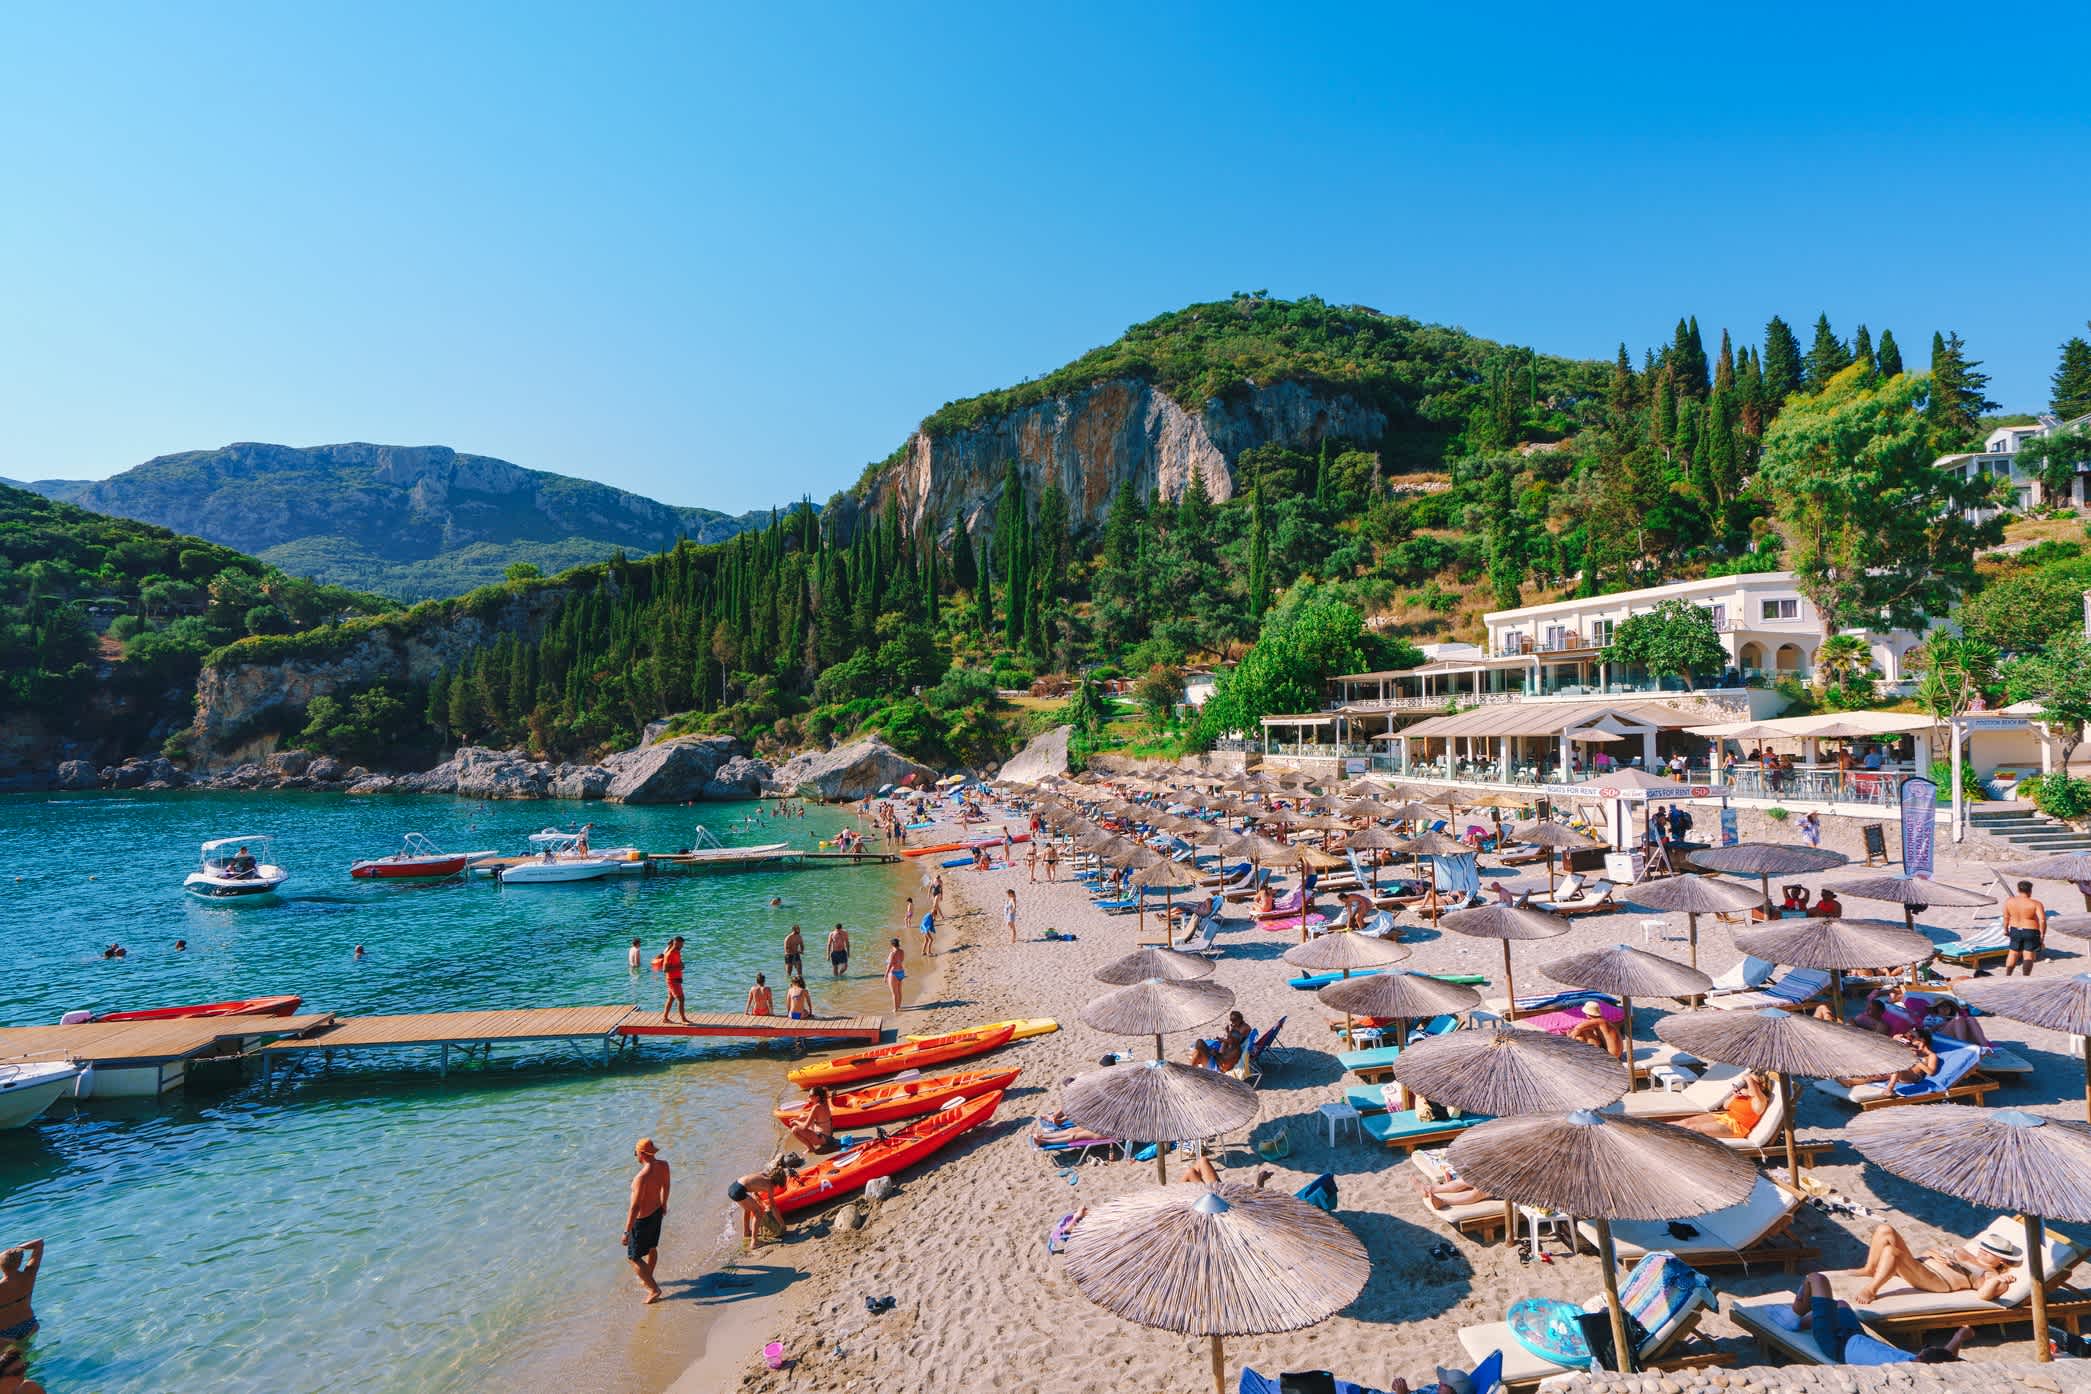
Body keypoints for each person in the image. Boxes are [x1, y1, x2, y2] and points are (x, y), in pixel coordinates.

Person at [1764, 1272, 1970, 1363]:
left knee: (1816, 1279)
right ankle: (1802, 1322)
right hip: (1856, 1336)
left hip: (1836, 1345)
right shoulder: (1924, 1363)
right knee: (1841, 1305)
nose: (1922, 1349)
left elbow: (1941, 1357)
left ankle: (1791, 1319)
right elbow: (1946, 1357)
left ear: (1920, 1358)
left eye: (1924, 1349)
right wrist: (1958, 1337)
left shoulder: (1906, 1367)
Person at [1846, 1222, 2018, 1304]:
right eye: (1984, 1247)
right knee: (1885, 1230)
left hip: (1936, 1280)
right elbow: (1927, 1251)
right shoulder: (1969, 1252)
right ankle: (1870, 1268)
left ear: (2001, 1259)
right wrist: (1934, 1254)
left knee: (1893, 1252)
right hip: (1922, 1264)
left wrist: (1998, 1281)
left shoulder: (1991, 1275)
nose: (1983, 1250)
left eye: (1990, 1251)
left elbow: (1984, 1295)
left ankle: (1871, 1289)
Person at [621, 1138, 670, 1304]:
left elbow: (635, 1207)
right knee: (651, 1247)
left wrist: (627, 1231)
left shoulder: (641, 1177)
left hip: (642, 1220)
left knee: (633, 1257)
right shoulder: (664, 1166)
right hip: (657, 1212)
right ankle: (648, 1277)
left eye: (636, 1153)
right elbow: (666, 1186)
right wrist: (664, 1204)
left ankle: (653, 1289)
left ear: (641, 1154)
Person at [1675, 1072, 1771, 1138]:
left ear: (1760, 1086)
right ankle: (1660, 1130)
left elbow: (1754, 1092)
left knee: (1693, 1129)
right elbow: (1726, 1106)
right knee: (1685, 1123)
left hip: (1736, 1127)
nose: (1748, 1084)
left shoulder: (1760, 1100)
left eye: (1752, 1083)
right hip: (1724, 1117)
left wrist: (1748, 1078)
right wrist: (1735, 1095)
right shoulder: (1745, 1094)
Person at [1840, 1028, 1939, 1091]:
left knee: (1896, 1068)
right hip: (1903, 1070)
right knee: (1878, 1073)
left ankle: (1889, 1089)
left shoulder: (1931, 1056)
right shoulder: (1914, 1050)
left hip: (1913, 1076)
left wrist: (1915, 1060)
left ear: (1922, 1040)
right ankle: (1851, 1081)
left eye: (1913, 1039)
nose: (1911, 1041)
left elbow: (1931, 1072)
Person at [728, 1167, 789, 1251]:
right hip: (739, 1191)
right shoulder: (770, 1186)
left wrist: (764, 1204)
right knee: (758, 1212)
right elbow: (773, 1207)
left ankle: (747, 1232)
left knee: (747, 1209)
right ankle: (754, 1242)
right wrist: (782, 1224)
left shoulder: (763, 1175)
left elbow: (755, 1194)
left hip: (733, 1187)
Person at [0, 1241, 43, 1341]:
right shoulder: (29, 1275)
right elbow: (39, 1243)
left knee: (9, 1357)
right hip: (29, 1325)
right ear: (19, 1263)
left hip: (4, 1333)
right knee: (27, 1353)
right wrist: (17, 1250)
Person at [2003, 880, 2047, 977]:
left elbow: (2006, 917)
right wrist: (2042, 935)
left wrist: (2005, 929)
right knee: (2028, 954)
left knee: (2013, 953)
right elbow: (2042, 920)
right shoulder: (2036, 903)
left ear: (2018, 890)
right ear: (2030, 890)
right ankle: (2025, 977)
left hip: (2015, 929)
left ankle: (2007, 976)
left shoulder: (2009, 901)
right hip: (2030, 930)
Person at [787, 1085, 837, 1153]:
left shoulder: (816, 1107)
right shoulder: (824, 1102)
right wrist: (798, 1119)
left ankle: (811, 1148)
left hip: (824, 1138)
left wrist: (796, 1121)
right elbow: (812, 1116)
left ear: (817, 1097)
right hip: (829, 1136)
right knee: (802, 1115)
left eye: (810, 1095)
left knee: (795, 1129)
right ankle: (814, 1145)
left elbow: (805, 1127)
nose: (808, 1097)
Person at [661, 936, 690, 1025]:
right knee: (681, 999)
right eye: (681, 945)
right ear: (676, 943)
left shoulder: (677, 952)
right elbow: (665, 969)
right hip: (672, 979)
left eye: (683, 945)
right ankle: (683, 1019)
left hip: (677, 978)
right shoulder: (670, 954)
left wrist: (681, 965)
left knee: (671, 998)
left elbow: (679, 963)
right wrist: (678, 967)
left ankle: (665, 1018)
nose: (682, 946)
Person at [884, 938, 906, 1011]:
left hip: (893, 973)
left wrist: (885, 975)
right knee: (899, 991)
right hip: (901, 971)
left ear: (892, 945)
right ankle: (899, 1006)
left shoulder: (892, 953)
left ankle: (895, 1009)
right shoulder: (902, 951)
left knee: (894, 993)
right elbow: (901, 960)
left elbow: (890, 965)